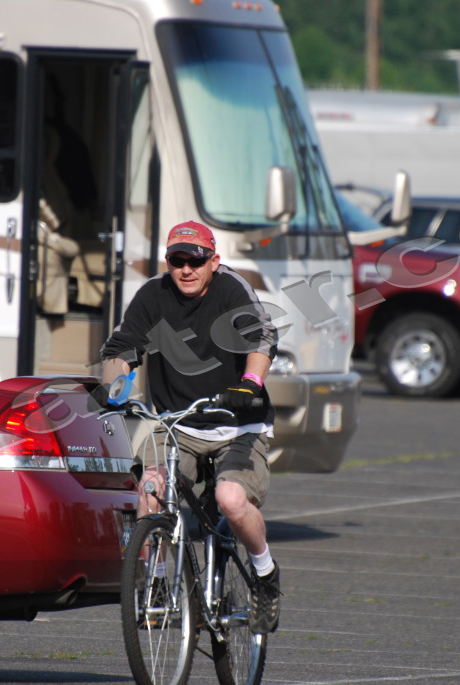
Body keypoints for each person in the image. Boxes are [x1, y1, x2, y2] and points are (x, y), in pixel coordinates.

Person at [94, 220, 281, 634]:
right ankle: (160, 584)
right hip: (178, 423)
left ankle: (266, 574)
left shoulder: (231, 289)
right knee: (151, 490)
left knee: (230, 499)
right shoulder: (154, 295)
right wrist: (112, 387)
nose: (186, 269)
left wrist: (250, 383)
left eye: (196, 260)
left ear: (213, 261)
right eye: (177, 260)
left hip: (238, 425)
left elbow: (261, 338)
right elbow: (120, 350)